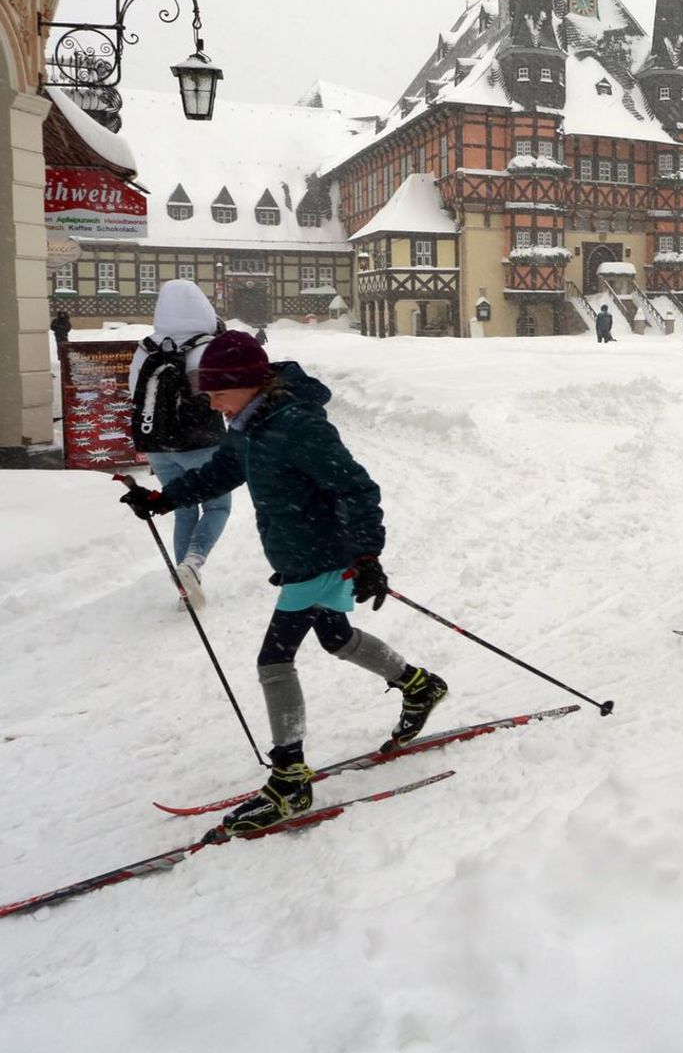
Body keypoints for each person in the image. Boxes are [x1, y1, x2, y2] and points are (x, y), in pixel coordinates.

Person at [119, 330, 447, 833]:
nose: (212, 403)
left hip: (322, 554)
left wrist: (367, 554)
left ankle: (290, 779)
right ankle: (420, 686)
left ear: (249, 382)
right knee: (336, 637)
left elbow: (356, 487)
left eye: (217, 393)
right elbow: (222, 471)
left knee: (274, 660)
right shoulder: (248, 424)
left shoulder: (298, 425)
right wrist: (164, 499)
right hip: (298, 552)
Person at [127, 280, 232, 607]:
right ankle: (193, 563)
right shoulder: (207, 348)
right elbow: (225, 393)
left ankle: (185, 586)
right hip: (202, 442)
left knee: (183, 508)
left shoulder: (147, 349)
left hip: (158, 445)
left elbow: (134, 391)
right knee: (217, 506)